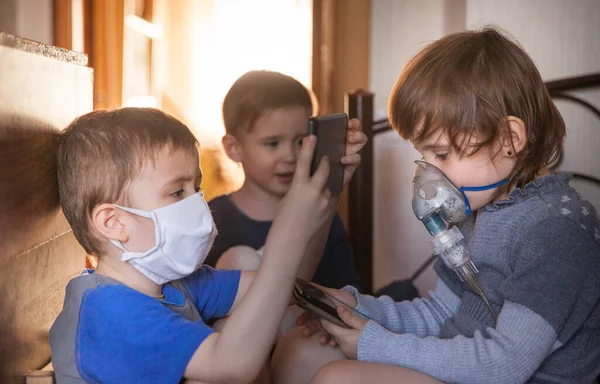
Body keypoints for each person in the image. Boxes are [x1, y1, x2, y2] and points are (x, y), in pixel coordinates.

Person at [270, 27, 600, 384]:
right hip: (467, 364)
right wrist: (357, 309)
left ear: (509, 139)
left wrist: (375, 345)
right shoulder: (480, 210)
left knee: (338, 378)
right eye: (423, 155)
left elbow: (505, 364)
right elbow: (442, 314)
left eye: (441, 153)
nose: (428, 173)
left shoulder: (555, 231)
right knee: (298, 349)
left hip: (505, 374)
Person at [49, 107, 366, 383]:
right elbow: (231, 365)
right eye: (177, 193)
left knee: (281, 334)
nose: (198, 203)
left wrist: (324, 196)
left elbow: (281, 285)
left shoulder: (176, 286)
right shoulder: (107, 310)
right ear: (113, 222)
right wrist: (286, 233)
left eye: (196, 187)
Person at [206, 70, 362, 292]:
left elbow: (349, 291)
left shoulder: (324, 213)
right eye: (272, 143)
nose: (290, 156)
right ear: (234, 148)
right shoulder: (211, 220)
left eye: (300, 141)